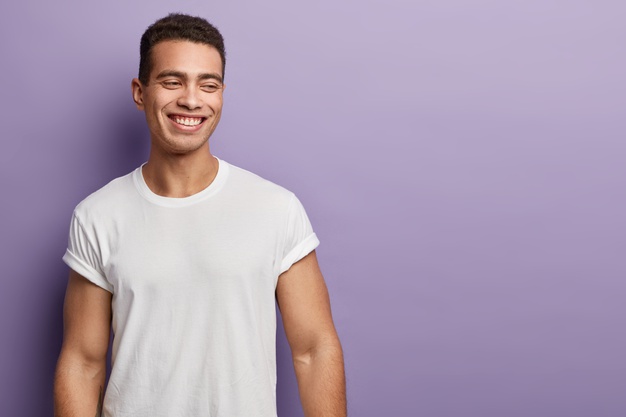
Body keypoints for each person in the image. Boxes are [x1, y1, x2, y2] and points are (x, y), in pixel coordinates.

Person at [53, 13, 346, 417]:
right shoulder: (98, 216)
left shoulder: (276, 208)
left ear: (222, 94)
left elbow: (314, 349)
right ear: (140, 92)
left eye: (208, 85)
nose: (191, 99)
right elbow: (82, 364)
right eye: (172, 82)